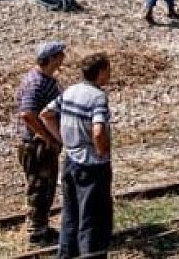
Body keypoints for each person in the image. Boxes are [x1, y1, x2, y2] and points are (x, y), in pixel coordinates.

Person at [41, 53, 114, 259]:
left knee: (71, 214)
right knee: (93, 219)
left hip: (71, 160)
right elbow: (98, 131)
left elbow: (46, 115)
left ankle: (66, 255)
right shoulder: (98, 97)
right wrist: (102, 151)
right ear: (100, 72)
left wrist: (64, 139)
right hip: (92, 166)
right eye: (107, 70)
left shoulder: (70, 91)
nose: (109, 74)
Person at [15, 41, 66, 246]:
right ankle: (37, 234)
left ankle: (41, 226)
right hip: (36, 145)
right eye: (60, 55)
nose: (63, 58)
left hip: (40, 143)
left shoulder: (43, 79)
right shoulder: (36, 83)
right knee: (40, 187)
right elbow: (27, 114)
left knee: (45, 187)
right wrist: (48, 138)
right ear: (51, 58)